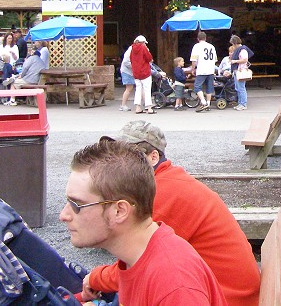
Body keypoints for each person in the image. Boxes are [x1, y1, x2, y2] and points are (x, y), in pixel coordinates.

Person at [60, 139, 228, 306]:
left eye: (77, 205)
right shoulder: (136, 258)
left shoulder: (174, 284)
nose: (63, 215)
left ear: (120, 211)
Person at [191, 31, 218, 112]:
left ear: (198, 39)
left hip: (201, 69)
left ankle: (203, 102)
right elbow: (215, 59)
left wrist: (193, 69)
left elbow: (193, 59)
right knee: (209, 87)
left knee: (197, 86)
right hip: (210, 69)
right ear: (205, 38)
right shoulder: (211, 46)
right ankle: (208, 103)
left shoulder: (196, 46)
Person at [131, 35, 154, 114]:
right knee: (147, 90)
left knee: (138, 90)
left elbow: (131, 59)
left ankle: (138, 107)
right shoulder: (143, 48)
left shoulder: (132, 48)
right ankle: (149, 108)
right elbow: (149, 58)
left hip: (136, 72)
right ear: (143, 42)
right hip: (144, 72)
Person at [230, 35, 253, 112]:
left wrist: (235, 61)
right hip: (238, 71)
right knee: (238, 88)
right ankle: (240, 103)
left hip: (241, 71)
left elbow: (245, 60)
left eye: (233, 44)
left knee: (241, 88)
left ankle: (243, 104)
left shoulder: (242, 50)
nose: (233, 46)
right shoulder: (241, 49)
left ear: (235, 43)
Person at [119, 44, 135, 112]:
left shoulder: (133, 49)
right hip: (127, 72)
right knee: (129, 88)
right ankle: (123, 105)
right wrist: (135, 66)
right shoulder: (131, 50)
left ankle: (146, 104)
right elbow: (126, 62)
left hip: (130, 72)